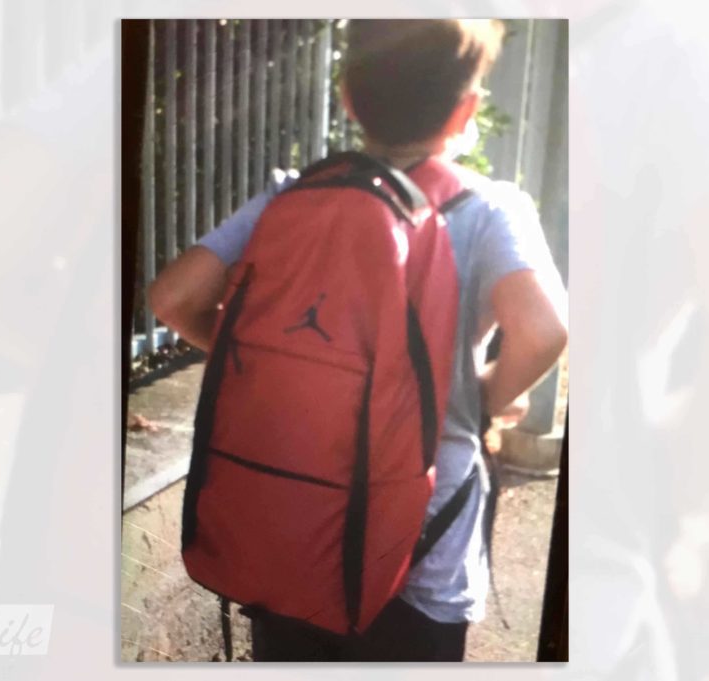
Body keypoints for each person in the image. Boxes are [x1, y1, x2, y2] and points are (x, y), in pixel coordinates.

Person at [149, 19, 568, 661]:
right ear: (465, 111)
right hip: (423, 544)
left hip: (294, 521)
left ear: (347, 98)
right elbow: (543, 331)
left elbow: (172, 299)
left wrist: (255, 364)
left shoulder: (293, 196)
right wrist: (480, 395)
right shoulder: (490, 210)